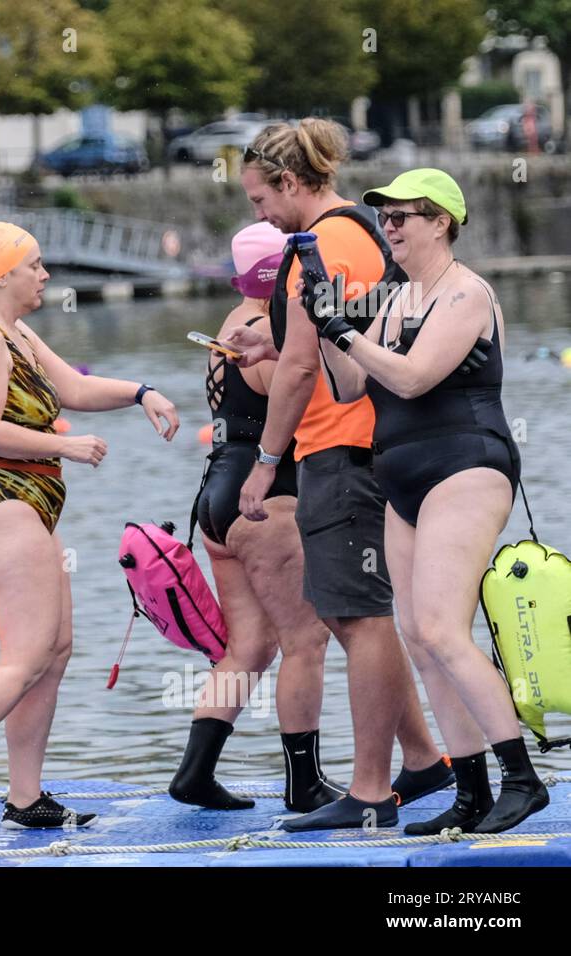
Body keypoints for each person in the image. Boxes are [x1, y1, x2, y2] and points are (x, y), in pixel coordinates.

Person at [0, 222, 180, 833]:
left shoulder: (18, 333)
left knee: (54, 652)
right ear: (4, 273)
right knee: (26, 653)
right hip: (0, 501)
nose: (46, 274)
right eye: (35, 265)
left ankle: (25, 796)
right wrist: (70, 445)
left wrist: (144, 392)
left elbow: (75, 387)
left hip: (31, 503)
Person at [305, 168, 549, 833]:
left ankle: (522, 780)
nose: (388, 228)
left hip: (465, 467)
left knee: (443, 628)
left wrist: (347, 332)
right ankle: (469, 791)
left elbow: (411, 380)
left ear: (440, 220)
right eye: (382, 218)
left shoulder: (467, 293)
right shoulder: (398, 299)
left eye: (400, 217)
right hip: (403, 480)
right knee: (417, 635)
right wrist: (328, 323)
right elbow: (352, 386)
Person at [223, 120, 449, 831]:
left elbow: (297, 369)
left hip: (347, 449)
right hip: (354, 444)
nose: (258, 215)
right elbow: (325, 335)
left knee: (361, 617)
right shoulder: (333, 241)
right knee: (356, 617)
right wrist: (273, 333)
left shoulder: (329, 238)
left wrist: (264, 463)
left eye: (261, 199)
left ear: (290, 183)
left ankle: (372, 789)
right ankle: (419, 759)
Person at [172, 222, 345, 812]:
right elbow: (298, 387)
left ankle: (195, 773)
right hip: (262, 501)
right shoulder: (265, 331)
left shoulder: (229, 323)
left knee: (248, 647)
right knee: (307, 639)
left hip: (218, 502)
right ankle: (305, 783)